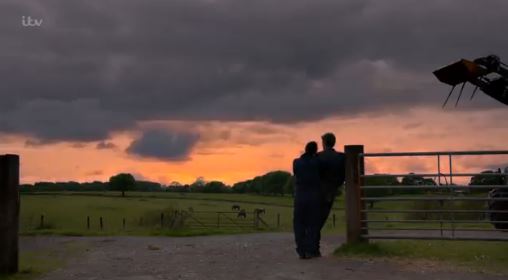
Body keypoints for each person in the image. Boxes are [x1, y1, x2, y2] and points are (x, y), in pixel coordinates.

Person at [317, 132, 346, 254]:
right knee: (321, 218)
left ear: (323, 143)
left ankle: (313, 246)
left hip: (317, 191)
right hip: (331, 191)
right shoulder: (341, 157)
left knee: (314, 219)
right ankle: (314, 246)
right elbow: (343, 175)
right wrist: (336, 185)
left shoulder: (317, 156)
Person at [292, 141, 321, 259]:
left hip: (299, 196)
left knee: (299, 223)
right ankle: (311, 250)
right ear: (315, 150)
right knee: (312, 223)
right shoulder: (318, 162)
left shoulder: (296, 162)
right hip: (313, 196)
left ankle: (301, 249)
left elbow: (296, 174)